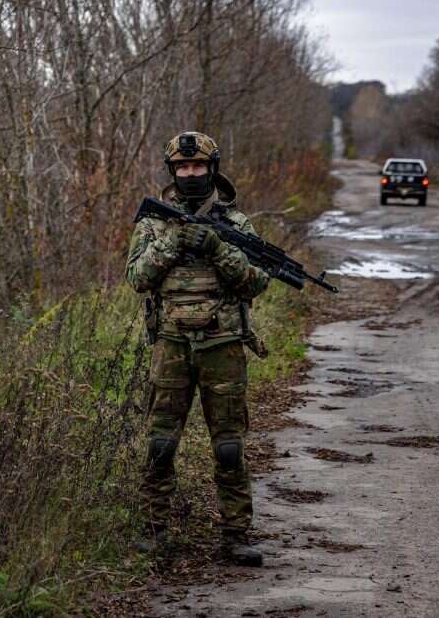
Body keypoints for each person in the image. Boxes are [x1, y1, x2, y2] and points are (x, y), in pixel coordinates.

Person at [125, 131, 270, 566]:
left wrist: (217, 248)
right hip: (171, 344)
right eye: (183, 168)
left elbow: (257, 280)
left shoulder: (236, 223)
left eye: (198, 167)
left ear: (213, 168)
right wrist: (173, 243)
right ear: (173, 171)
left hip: (223, 345)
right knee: (161, 443)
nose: (191, 174)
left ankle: (236, 533)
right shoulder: (153, 223)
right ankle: (154, 531)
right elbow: (137, 278)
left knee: (229, 445)